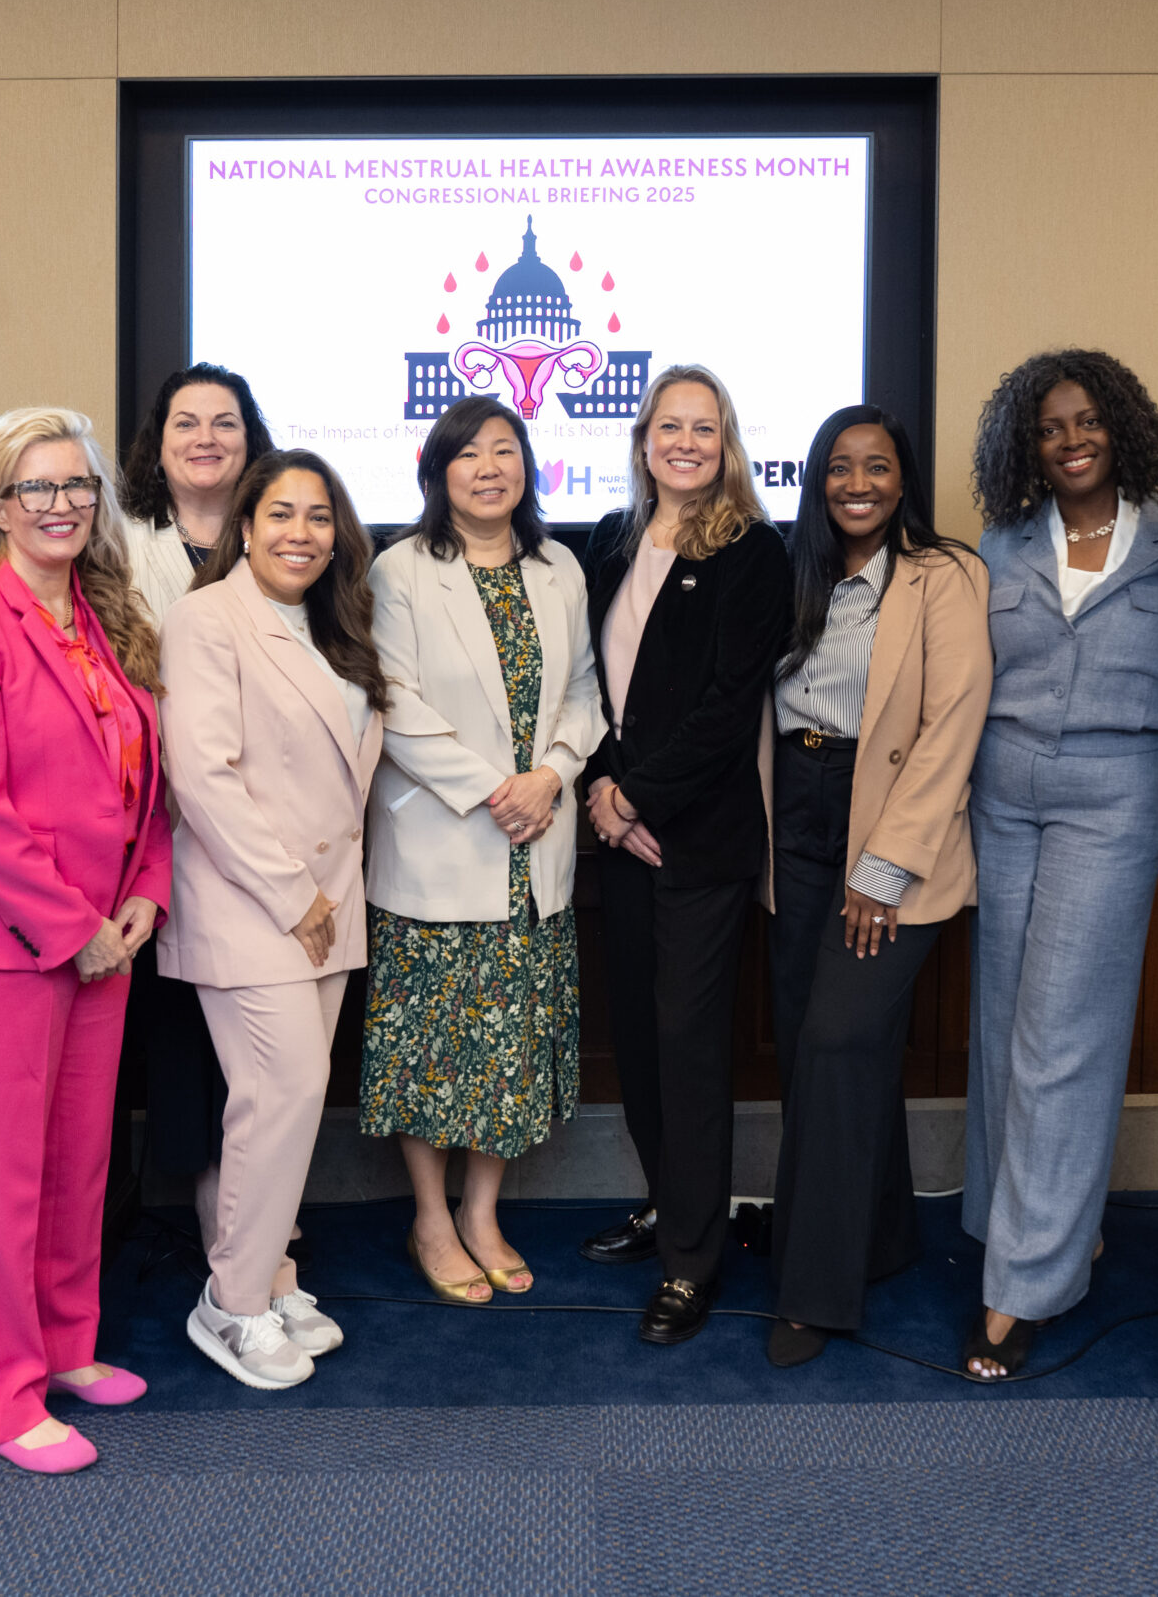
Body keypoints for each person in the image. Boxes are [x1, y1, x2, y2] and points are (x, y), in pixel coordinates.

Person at [0, 407, 172, 1474]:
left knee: (77, 1168)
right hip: (0, 949)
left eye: (76, 487)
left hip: (106, 938)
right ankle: (1, 1399)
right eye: (35, 489)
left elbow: (141, 780)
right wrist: (75, 931)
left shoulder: (104, 618)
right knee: (4, 1181)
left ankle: (64, 1350)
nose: (59, 506)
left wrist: (144, 893)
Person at [959, 348, 1158, 1381]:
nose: (1071, 440)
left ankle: (1021, 1290)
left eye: (1087, 421)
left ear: (1122, 428)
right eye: (1050, 428)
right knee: (1007, 1023)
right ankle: (1040, 1227)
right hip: (1004, 788)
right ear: (1027, 445)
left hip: (1117, 789)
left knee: (1064, 1033)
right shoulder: (1000, 546)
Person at [362, 396, 606, 1305]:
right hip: (443, 839)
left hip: (534, 844)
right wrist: (490, 788)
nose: (489, 467)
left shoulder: (560, 568)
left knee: (509, 1045)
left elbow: (584, 690)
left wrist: (550, 773)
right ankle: (431, 1216)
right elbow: (394, 701)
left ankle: (483, 1211)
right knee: (428, 1046)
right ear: (437, 471)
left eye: (506, 450)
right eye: (468, 454)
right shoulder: (400, 571)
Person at [764, 406, 990, 1368]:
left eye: (879, 467)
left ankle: (815, 1292)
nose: (858, 483)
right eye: (839, 468)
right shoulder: (794, 574)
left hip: (891, 829)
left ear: (904, 480)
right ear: (817, 481)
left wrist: (883, 868)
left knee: (837, 1039)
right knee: (812, 1043)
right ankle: (884, 1236)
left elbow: (951, 725)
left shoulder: (946, 575)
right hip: (798, 822)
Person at [160, 450, 388, 1389]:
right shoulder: (205, 618)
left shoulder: (337, 624)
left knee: (289, 1104)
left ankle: (269, 1271)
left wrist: (322, 904)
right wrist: (297, 901)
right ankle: (232, 1302)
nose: (302, 531)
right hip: (254, 903)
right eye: (282, 513)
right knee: (278, 1095)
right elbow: (202, 776)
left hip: (329, 906)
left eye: (320, 516)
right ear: (244, 526)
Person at [579, 364, 792, 1345]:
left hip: (698, 841)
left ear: (727, 442)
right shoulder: (615, 543)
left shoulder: (752, 552)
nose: (686, 443)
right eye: (670, 426)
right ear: (643, 439)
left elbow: (724, 707)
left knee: (691, 1049)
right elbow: (595, 691)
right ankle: (672, 1203)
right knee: (640, 1043)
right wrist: (601, 796)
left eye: (704, 429)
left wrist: (639, 796)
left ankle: (692, 1264)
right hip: (619, 840)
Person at [112, 363, 276, 1243]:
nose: (206, 438)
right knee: (179, 1019)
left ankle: (261, 1204)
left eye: (225, 422)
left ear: (251, 438)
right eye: (186, 423)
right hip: (156, 820)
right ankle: (213, 1202)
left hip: (267, 819)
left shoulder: (279, 532)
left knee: (261, 1019)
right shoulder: (117, 539)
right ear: (159, 442)